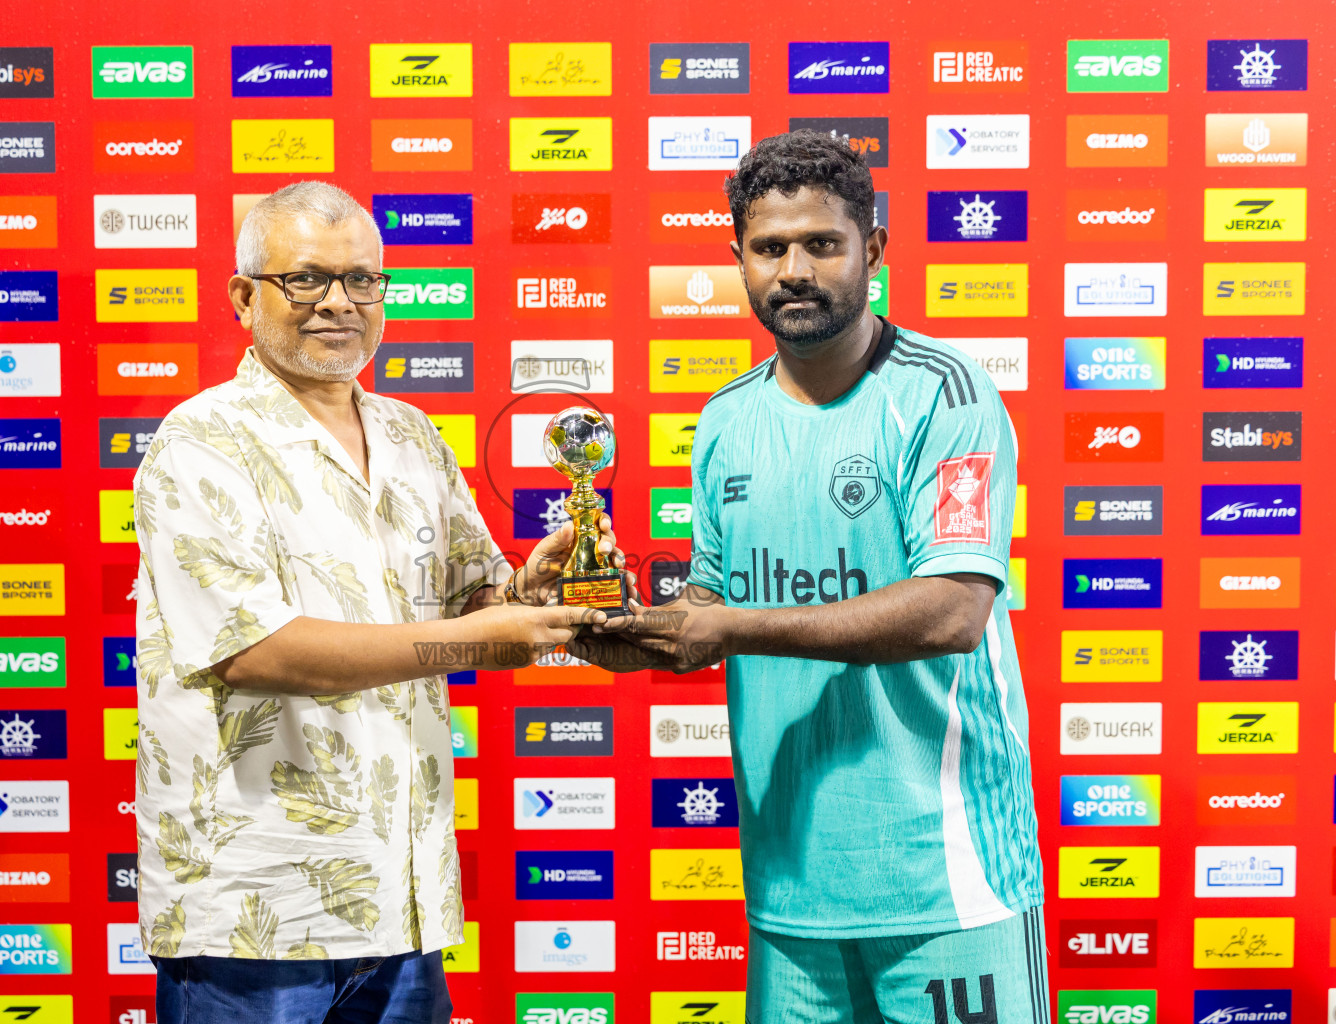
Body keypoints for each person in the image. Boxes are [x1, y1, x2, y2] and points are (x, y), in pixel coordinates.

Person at [572, 131, 1047, 1022]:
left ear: (875, 249)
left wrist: (728, 629)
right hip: (790, 888)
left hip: (948, 880)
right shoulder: (722, 422)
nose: (795, 269)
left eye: (822, 244)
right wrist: (627, 636)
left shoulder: (947, 395)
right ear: (738, 261)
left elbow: (951, 611)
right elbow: (710, 612)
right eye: (769, 248)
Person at [133, 181, 619, 1024]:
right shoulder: (199, 441)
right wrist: (475, 641)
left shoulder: (410, 432)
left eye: (362, 280)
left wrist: (533, 586)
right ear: (245, 298)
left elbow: (474, 597)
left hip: (405, 893)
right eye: (307, 279)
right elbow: (258, 651)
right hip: (259, 907)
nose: (338, 303)